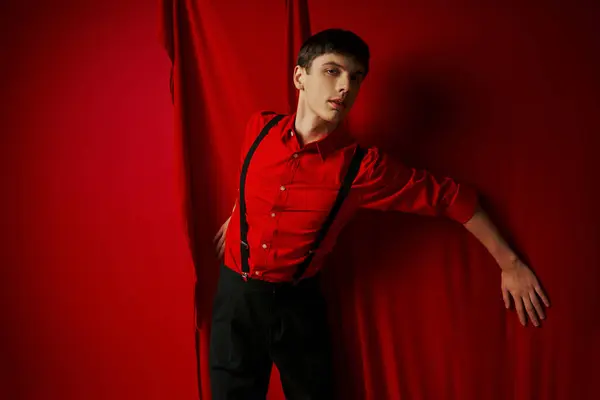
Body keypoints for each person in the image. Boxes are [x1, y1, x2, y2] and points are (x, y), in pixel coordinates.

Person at [210, 28, 549, 400]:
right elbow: (252, 173)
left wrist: (510, 263)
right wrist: (240, 213)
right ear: (299, 76)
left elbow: (451, 199)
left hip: (295, 307)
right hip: (235, 297)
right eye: (332, 71)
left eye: (355, 78)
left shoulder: (363, 169)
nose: (345, 87)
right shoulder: (259, 127)